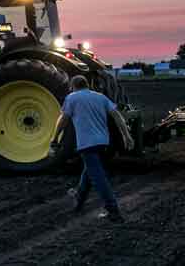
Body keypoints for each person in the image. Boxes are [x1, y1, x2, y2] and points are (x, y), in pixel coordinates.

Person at [52, 75, 129, 223]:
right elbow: (117, 115)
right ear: (88, 85)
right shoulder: (100, 97)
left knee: (98, 177)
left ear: (73, 86)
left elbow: (63, 119)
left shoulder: (72, 98)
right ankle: (79, 198)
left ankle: (113, 210)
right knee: (89, 171)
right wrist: (126, 136)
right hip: (103, 143)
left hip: (87, 144)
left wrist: (54, 138)